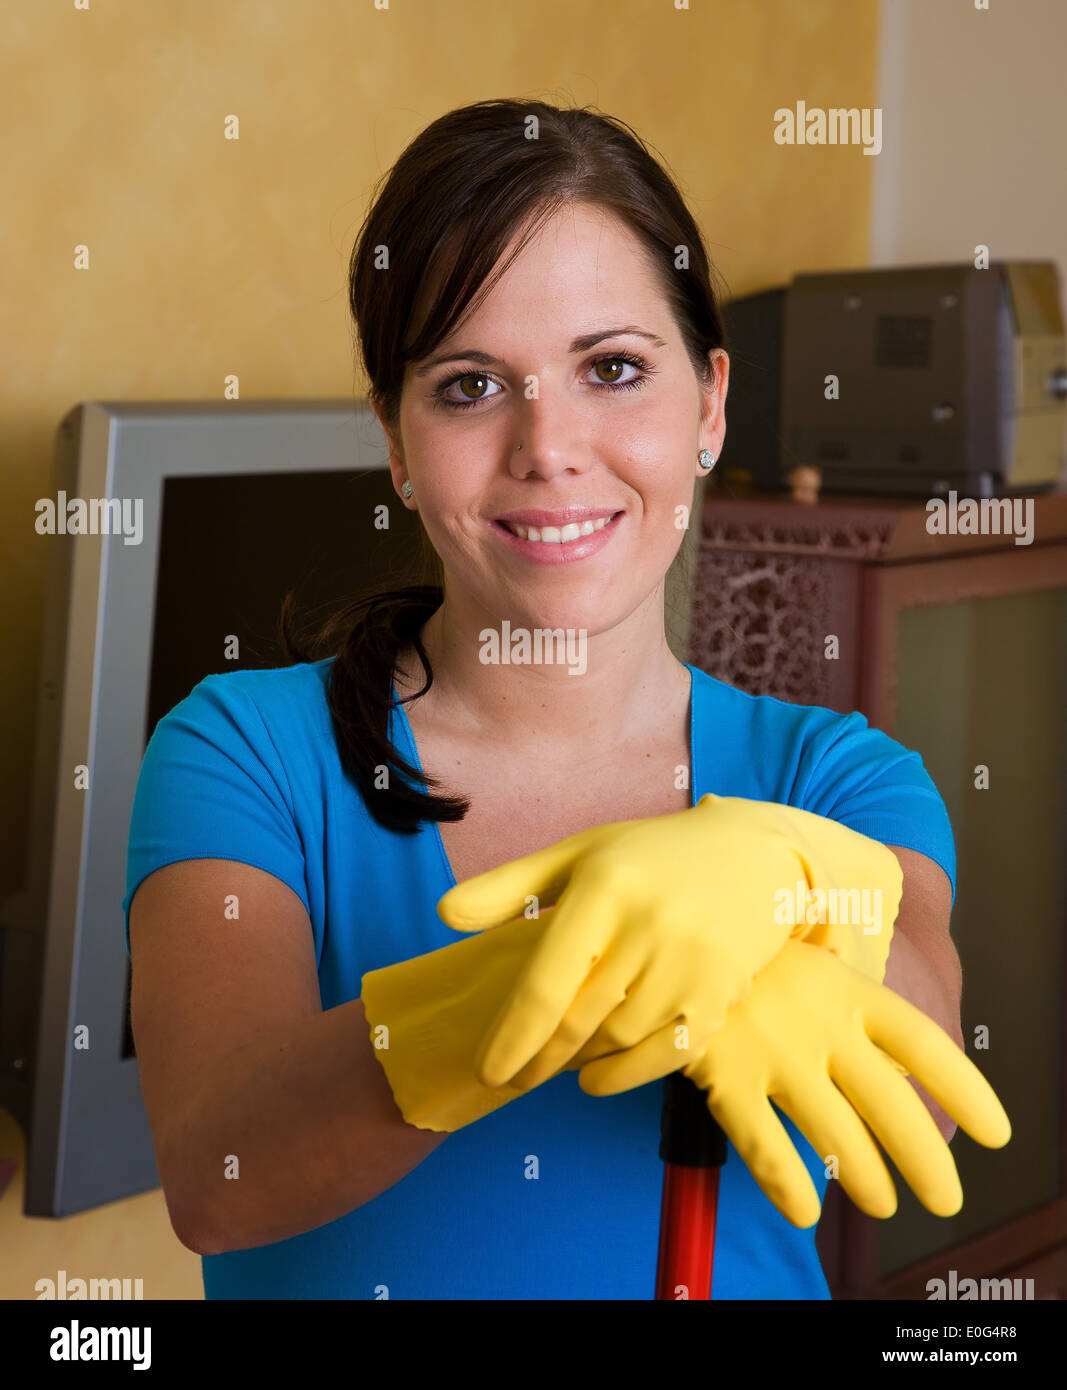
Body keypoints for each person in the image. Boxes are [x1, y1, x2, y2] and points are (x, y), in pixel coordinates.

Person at [123, 99, 1005, 1300]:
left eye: (614, 368)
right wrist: (557, 964)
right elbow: (217, 1178)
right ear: (394, 437)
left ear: (708, 404)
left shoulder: (836, 779)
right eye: (471, 383)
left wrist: (804, 897)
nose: (548, 445)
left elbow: (924, 1087)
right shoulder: (241, 752)